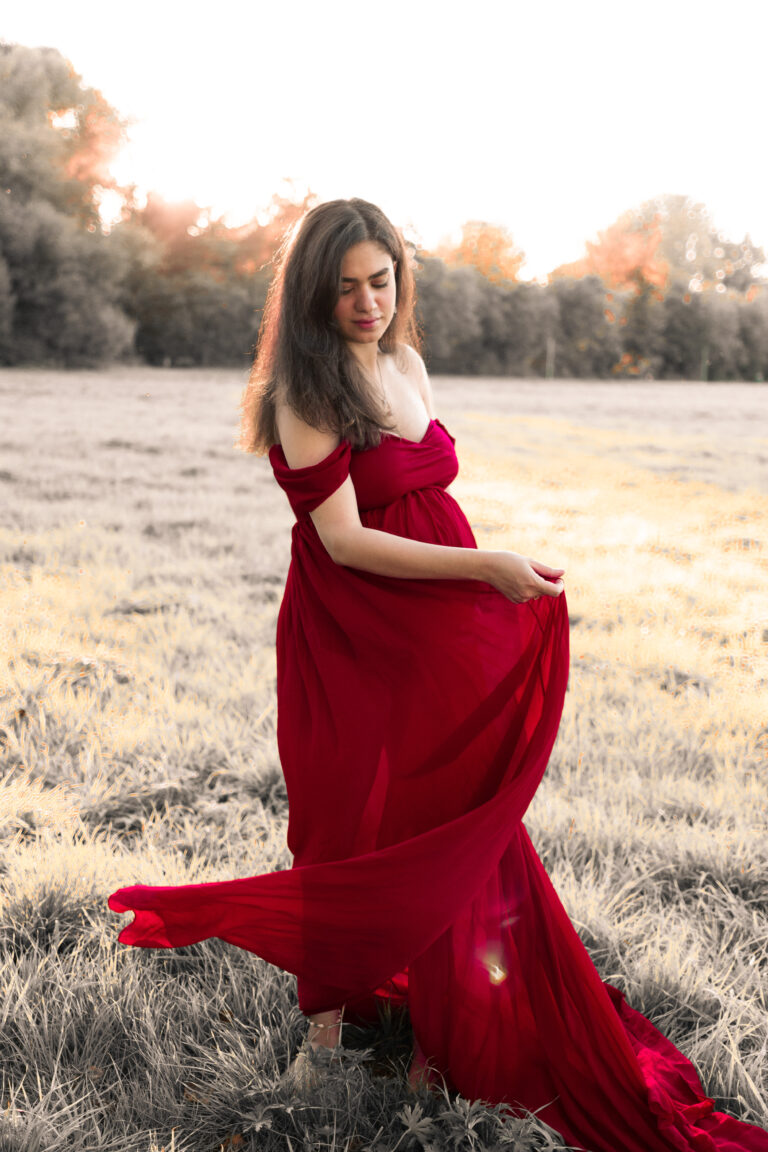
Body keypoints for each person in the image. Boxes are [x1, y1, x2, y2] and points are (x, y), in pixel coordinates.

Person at [109, 199, 768, 1152]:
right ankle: (325, 1032)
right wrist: (485, 567)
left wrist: (494, 580)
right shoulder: (307, 387)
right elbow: (345, 540)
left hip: (439, 623)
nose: (369, 302)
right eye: (345, 287)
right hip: (351, 626)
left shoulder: (407, 364)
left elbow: (422, 489)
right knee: (342, 811)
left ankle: (442, 1030)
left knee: (447, 805)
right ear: (312, 294)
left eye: (381, 280)